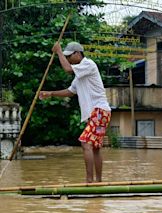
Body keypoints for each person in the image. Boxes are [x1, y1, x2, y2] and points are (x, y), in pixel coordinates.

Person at [39, 41, 111, 183]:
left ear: (78, 53)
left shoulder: (88, 64)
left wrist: (59, 51)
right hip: (99, 112)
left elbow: (67, 69)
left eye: (69, 56)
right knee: (95, 147)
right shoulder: (80, 75)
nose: (69, 59)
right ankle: (98, 182)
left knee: (85, 143)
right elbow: (70, 92)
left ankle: (89, 181)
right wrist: (51, 93)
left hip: (100, 110)